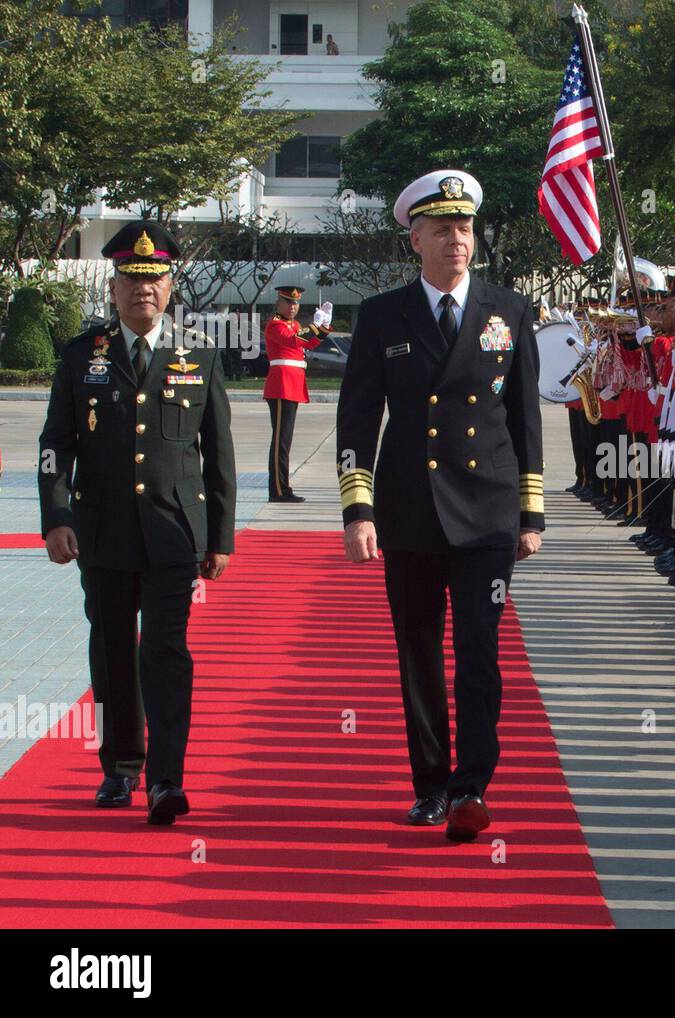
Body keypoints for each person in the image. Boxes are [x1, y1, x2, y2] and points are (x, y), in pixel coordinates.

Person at [335, 169, 544, 841]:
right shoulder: (381, 316)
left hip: (487, 508)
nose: (457, 240)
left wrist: (531, 512)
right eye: (443, 230)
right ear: (415, 240)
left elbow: (524, 417)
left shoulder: (508, 310)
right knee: (418, 650)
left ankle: (471, 786)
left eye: (465, 228)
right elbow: (358, 416)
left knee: (479, 651)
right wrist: (357, 508)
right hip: (411, 508)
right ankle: (429, 783)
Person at [37, 220, 236, 825]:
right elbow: (54, 446)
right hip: (103, 533)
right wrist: (55, 518)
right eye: (130, 279)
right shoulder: (82, 356)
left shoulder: (198, 355)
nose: (141, 290)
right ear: (113, 288)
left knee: (167, 652)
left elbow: (219, 451)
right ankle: (120, 769)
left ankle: (166, 781)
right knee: (112, 650)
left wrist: (220, 538)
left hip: (175, 531)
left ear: (170, 287)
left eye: (153, 280)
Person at [263, 284, 332, 503]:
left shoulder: (294, 324)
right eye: (289, 302)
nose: (293, 307)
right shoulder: (275, 325)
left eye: (296, 303)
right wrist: (314, 325)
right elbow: (292, 341)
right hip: (282, 383)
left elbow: (308, 344)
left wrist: (323, 327)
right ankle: (278, 490)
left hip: (292, 382)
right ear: (279, 303)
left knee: (285, 440)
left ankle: (283, 487)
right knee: (280, 441)